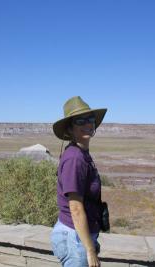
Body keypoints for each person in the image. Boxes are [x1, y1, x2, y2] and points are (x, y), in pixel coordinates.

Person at [51, 96, 107, 267]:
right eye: (80, 121)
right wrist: (89, 250)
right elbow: (75, 208)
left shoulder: (82, 154)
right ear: (70, 129)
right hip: (75, 239)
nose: (87, 124)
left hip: (79, 236)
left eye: (90, 119)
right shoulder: (75, 158)